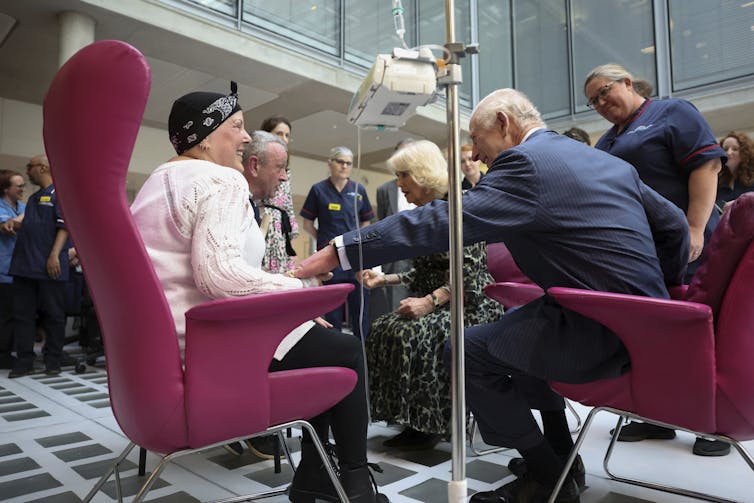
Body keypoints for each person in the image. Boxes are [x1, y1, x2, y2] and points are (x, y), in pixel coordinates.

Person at [293, 88, 689, 503]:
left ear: (504, 124)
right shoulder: (603, 160)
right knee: (517, 330)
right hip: (642, 327)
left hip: (598, 328)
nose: (477, 156)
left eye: (477, 142)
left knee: (465, 351)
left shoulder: (524, 164)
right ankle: (562, 455)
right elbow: (676, 226)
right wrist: (653, 301)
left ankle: (548, 476)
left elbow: (444, 220)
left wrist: (339, 250)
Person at [129, 84, 388, 503]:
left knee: (315, 343)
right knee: (346, 352)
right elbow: (218, 276)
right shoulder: (221, 180)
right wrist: (297, 293)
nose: (247, 136)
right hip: (212, 352)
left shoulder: (156, 183)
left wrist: (291, 313)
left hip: (162, 355)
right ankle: (354, 482)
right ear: (206, 135)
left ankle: (315, 472)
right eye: (237, 126)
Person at [585, 63, 728, 456]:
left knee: (702, 330)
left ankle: (713, 425)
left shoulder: (672, 113)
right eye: (592, 101)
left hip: (694, 245)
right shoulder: (606, 143)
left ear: (628, 82)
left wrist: (694, 228)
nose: (599, 103)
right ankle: (657, 417)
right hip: (645, 254)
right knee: (653, 335)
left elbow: (707, 165)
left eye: (603, 92)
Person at [360, 140, 504, 451]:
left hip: (471, 304)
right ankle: (409, 416)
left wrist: (428, 302)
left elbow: (467, 273)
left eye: (403, 176)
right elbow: (424, 273)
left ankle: (432, 423)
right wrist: (384, 278)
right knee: (385, 327)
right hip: (444, 300)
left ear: (422, 174)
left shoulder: (461, 208)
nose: (398, 184)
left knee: (419, 333)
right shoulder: (428, 212)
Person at [6, 155, 71, 378]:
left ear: (42, 167)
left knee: (54, 315)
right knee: (23, 315)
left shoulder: (60, 194)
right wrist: (11, 223)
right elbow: (26, 222)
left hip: (49, 266)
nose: (27, 171)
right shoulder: (34, 199)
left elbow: (65, 227)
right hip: (24, 266)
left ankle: (53, 359)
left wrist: (54, 255)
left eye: (30, 166)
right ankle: (24, 360)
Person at [300, 146, 374, 340]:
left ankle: (361, 351)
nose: (344, 166)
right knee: (331, 311)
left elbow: (366, 221)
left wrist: (359, 238)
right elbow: (307, 223)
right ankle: (336, 353)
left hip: (355, 257)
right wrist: (324, 242)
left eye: (348, 163)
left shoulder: (358, 190)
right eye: (340, 162)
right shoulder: (318, 190)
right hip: (330, 259)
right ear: (330, 163)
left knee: (360, 311)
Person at [371, 138, 416, 318]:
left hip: (421, 252)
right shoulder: (385, 190)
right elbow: (382, 223)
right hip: (395, 255)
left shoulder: (430, 187)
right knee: (395, 310)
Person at [259, 115, 298, 273]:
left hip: (280, 228)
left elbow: (287, 202)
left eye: (287, 135)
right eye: (279, 133)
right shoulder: (258, 162)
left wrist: (290, 229)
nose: (284, 138)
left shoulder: (287, 170)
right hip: (262, 222)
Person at [0, 169, 26, 369]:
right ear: (6, 189)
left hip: (19, 270)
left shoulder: (23, 207)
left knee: (17, 314)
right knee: (5, 315)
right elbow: (8, 227)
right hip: (4, 269)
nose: (23, 189)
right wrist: (33, 210)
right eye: (19, 186)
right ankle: (3, 355)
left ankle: (11, 350)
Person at [716, 131, 754, 210]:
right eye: (725, 149)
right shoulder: (718, 181)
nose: (729, 153)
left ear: (745, 152)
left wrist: (737, 203)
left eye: (735, 149)